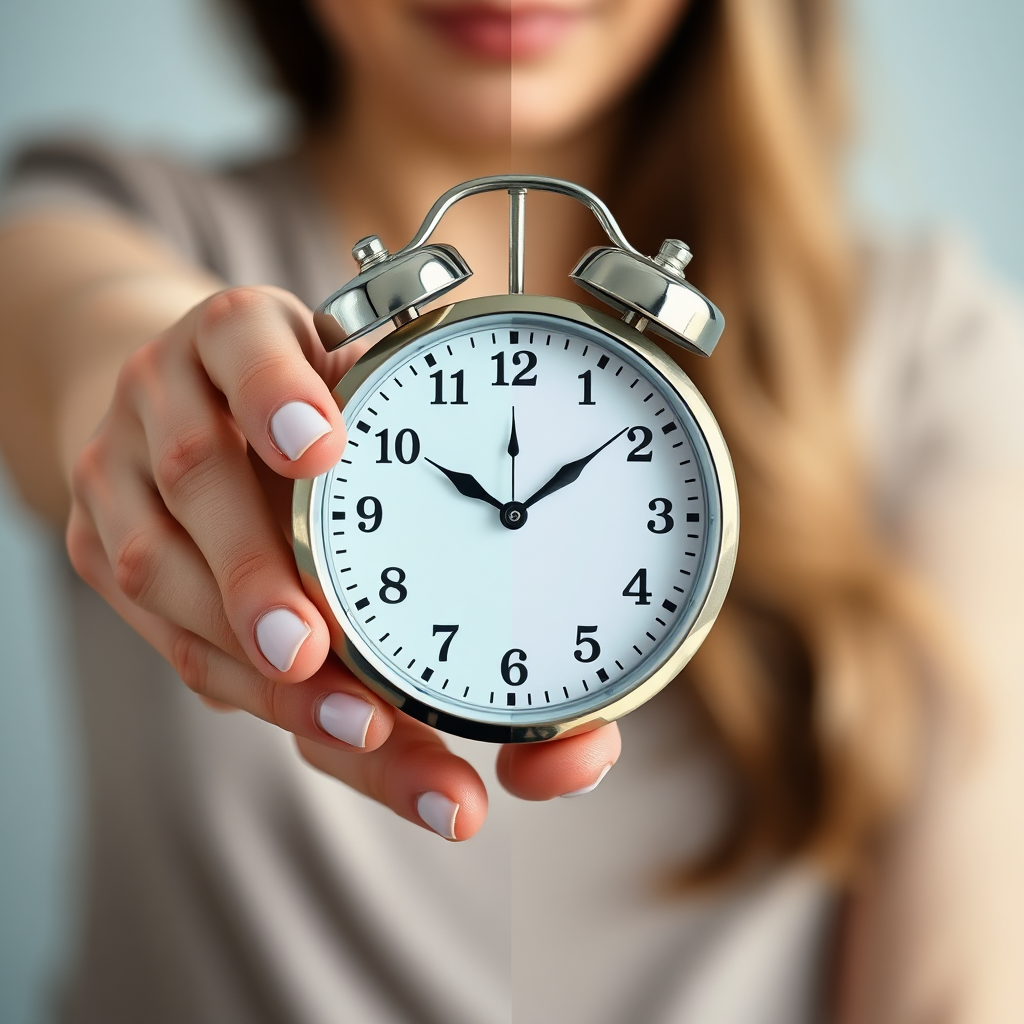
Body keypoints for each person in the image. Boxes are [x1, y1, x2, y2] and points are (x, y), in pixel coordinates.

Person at [1, 0, 1022, 1021]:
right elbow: (82, 331)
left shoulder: (927, 346)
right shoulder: (103, 214)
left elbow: (952, 996)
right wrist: (171, 404)